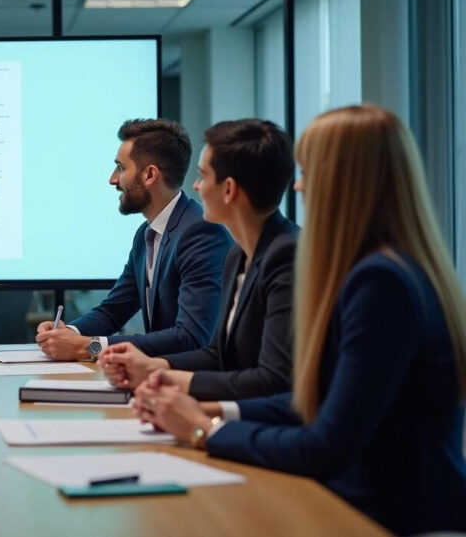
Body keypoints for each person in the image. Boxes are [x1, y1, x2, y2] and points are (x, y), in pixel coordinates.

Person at [134, 105, 466, 535]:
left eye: (309, 171)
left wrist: (204, 430)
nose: (299, 185)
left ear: (344, 184)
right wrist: (206, 409)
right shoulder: (386, 270)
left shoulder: (380, 283)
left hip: (389, 517)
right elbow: (317, 404)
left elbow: (325, 445)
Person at [99, 119, 297, 400]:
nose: (195, 186)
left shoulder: (286, 256)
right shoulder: (237, 256)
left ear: (228, 190)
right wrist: (154, 368)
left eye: (203, 176)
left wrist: (204, 417)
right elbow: (218, 356)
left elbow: (272, 381)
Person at [36, 119, 232, 361]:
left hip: (195, 387)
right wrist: (68, 333)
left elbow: (190, 338)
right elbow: (112, 311)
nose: (112, 179)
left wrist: (87, 347)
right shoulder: (145, 235)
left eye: (120, 168)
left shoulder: (201, 234)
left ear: (150, 174)